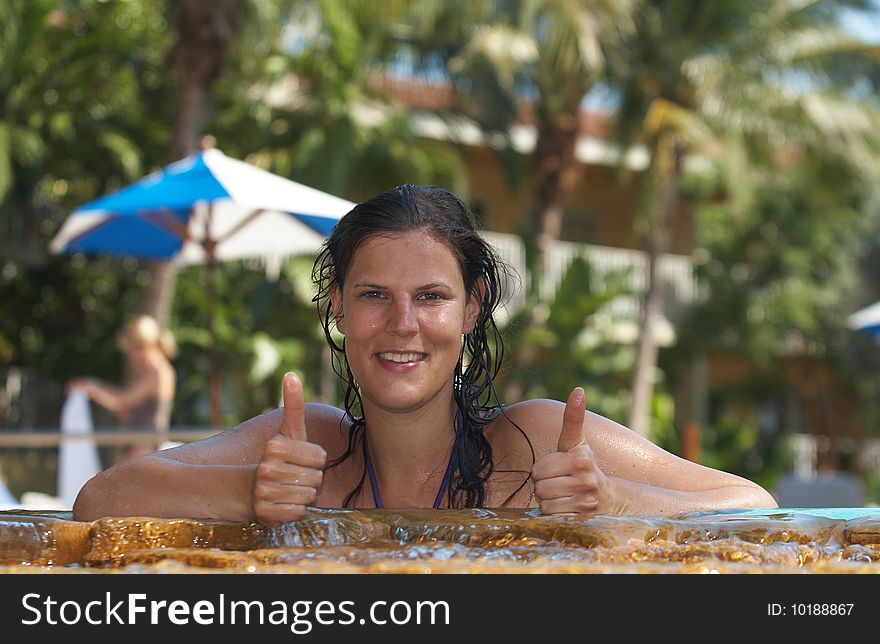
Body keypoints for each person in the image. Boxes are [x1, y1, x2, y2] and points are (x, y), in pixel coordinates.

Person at [72, 184, 777, 524]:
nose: (403, 324)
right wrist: (247, 493)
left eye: (432, 297)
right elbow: (98, 501)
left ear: (471, 308)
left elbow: (756, 507)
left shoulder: (535, 442)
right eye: (374, 295)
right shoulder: (306, 446)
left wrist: (616, 500)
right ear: (337, 307)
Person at [67, 314, 177, 463]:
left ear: (144, 345)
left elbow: (122, 402)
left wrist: (92, 389)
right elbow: (124, 396)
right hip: (138, 447)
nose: (130, 356)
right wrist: (92, 384)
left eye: (132, 350)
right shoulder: (151, 372)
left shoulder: (158, 372)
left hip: (143, 449)